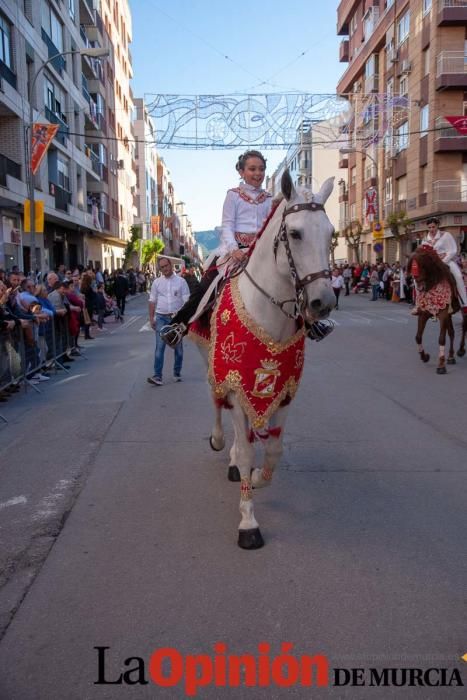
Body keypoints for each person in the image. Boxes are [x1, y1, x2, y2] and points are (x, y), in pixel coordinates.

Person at [161, 150, 334, 346]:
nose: (257, 173)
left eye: (261, 169)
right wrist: (234, 248)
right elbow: (227, 225)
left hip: (263, 248)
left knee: (290, 279)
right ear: (241, 171)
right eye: (252, 169)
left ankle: (310, 323)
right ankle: (180, 324)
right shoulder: (233, 196)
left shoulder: (270, 199)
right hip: (235, 249)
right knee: (209, 283)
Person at [147, 257, 190, 386]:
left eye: (166, 266)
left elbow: (187, 301)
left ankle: (177, 373)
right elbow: (152, 300)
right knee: (159, 348)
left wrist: (185, 319)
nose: (165, 269)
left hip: (176, 319)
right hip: (161, 317)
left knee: (178, 348)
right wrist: (151, 318)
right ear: (160, 269)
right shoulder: (157, 283)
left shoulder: (181, 282)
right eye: (162, 267)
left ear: (171, 265)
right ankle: (157, 376)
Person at [421, 217, 467, 313]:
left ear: (437, 226)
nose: (431, 229)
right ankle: (420, 304)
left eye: (433, 227)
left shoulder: (446, 235)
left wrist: (443, 261)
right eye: (429, 227)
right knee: (417, 277)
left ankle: (465, 303)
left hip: (447, 261)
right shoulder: (425, 239)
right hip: (432, 265)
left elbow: (453, 250)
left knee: (458, 276)